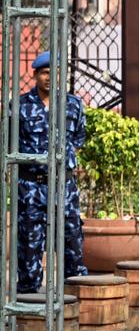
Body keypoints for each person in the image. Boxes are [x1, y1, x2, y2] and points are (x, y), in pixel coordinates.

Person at [17, 51, 88, 293]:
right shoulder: (19, 106)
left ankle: (73, 305)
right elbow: (11, 143)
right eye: (45, 72)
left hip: (63, 188)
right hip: (31, 189)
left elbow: (78, 139)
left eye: (55, 72)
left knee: (72, 245)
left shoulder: (73, 105)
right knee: (28, 248)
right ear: (35, 74)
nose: (50, 77)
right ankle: (28, 310)